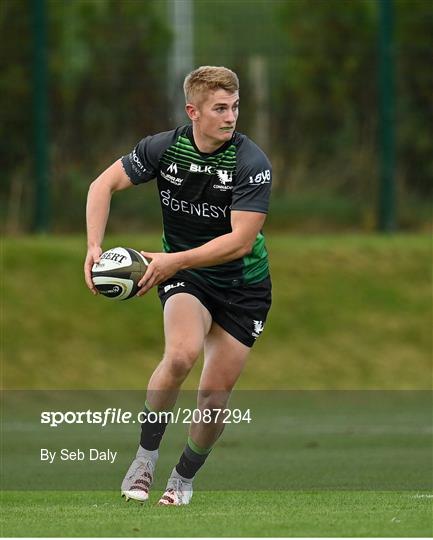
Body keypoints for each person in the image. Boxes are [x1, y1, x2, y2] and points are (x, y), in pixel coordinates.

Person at [84, 66, 272, 506]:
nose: (231, 117)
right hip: (187, 277)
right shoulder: (164, 149)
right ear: (193, 111)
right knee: (181, 354)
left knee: (213, 394)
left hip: (244, 287)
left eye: (236, 107)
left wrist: (171, 260)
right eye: (220, 108)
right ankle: (145, 459)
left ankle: (183, 477)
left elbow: (240, 242)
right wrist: (94, 247)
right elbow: (102, 185)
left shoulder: (251, 162)